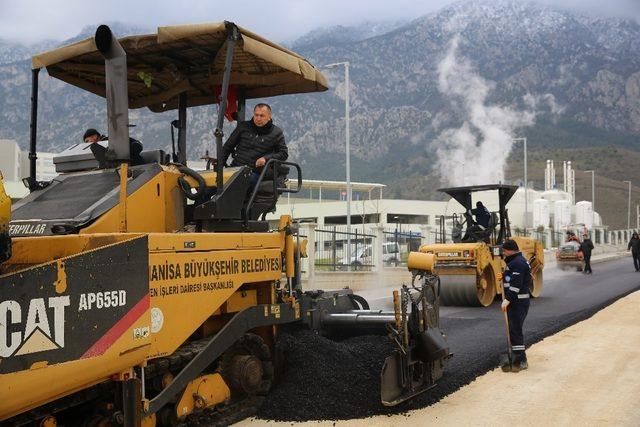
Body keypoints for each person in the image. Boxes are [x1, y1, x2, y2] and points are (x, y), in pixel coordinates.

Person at [220, 103, 288, 186]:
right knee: (210, 184)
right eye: (256, 115)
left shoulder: (276, 133)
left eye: (262, 116)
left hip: (255, 173)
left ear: (269, 117)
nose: (258, 118)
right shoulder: (243, 127)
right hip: (235, 168)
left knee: (237, 181)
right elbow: (227, 147)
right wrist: (219, 165)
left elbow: (284, 153)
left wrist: (265, 158)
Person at [500, 239, 531, 371]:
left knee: (515, 330)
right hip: (516, 301)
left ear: (509, 250)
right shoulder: (515, 262)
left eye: (504, 250)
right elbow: (512, 280)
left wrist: (508, 299)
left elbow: (515, 286)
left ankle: (521, 360)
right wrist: (504, 276)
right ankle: (517, 357)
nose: (503, 252)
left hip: (518, 302)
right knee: (513, 330)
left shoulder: (518, 263)